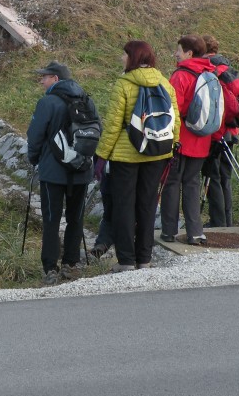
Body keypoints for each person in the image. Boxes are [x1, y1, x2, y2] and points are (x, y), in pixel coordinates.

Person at [94, 40, 179, 272]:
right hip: (156, 153)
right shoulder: (164, 82)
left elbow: (112, 125)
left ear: (133, 57)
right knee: (148, 205)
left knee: (124, 206)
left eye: (124, 55)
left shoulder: (123, 84)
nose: (121, 58)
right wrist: (171, 147)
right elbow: (175, 119)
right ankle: (144, 258)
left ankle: (126, 261)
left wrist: (101, 155)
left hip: (126, 155)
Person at [26, 61, 96, 286]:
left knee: (51, 219)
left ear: (55, 79)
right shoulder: (86, 99)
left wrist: (35, 159)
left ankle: (50, 268)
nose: (41, 80)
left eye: (44, 77)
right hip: (82, 170)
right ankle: (71, 264)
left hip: (53, 172)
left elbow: (35, 135)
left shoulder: (47, 102)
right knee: (75, 218)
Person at [161, 35, 217, 245]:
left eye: (179, 50)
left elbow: (173, 109)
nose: (176, 54)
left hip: (181, 139)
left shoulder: (181, 75)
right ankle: (195, 232)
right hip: (202, 140)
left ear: (189, 53)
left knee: (172, 183)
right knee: (193, 184)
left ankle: (169, 231)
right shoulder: (211, 74)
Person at [202, 34, 239, 228]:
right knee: (225, 177)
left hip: (215, 132)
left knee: (212, 177)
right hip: (231, 132)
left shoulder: (208, 70)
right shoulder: (229, 69)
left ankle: (217, 221)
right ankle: (227, 220)